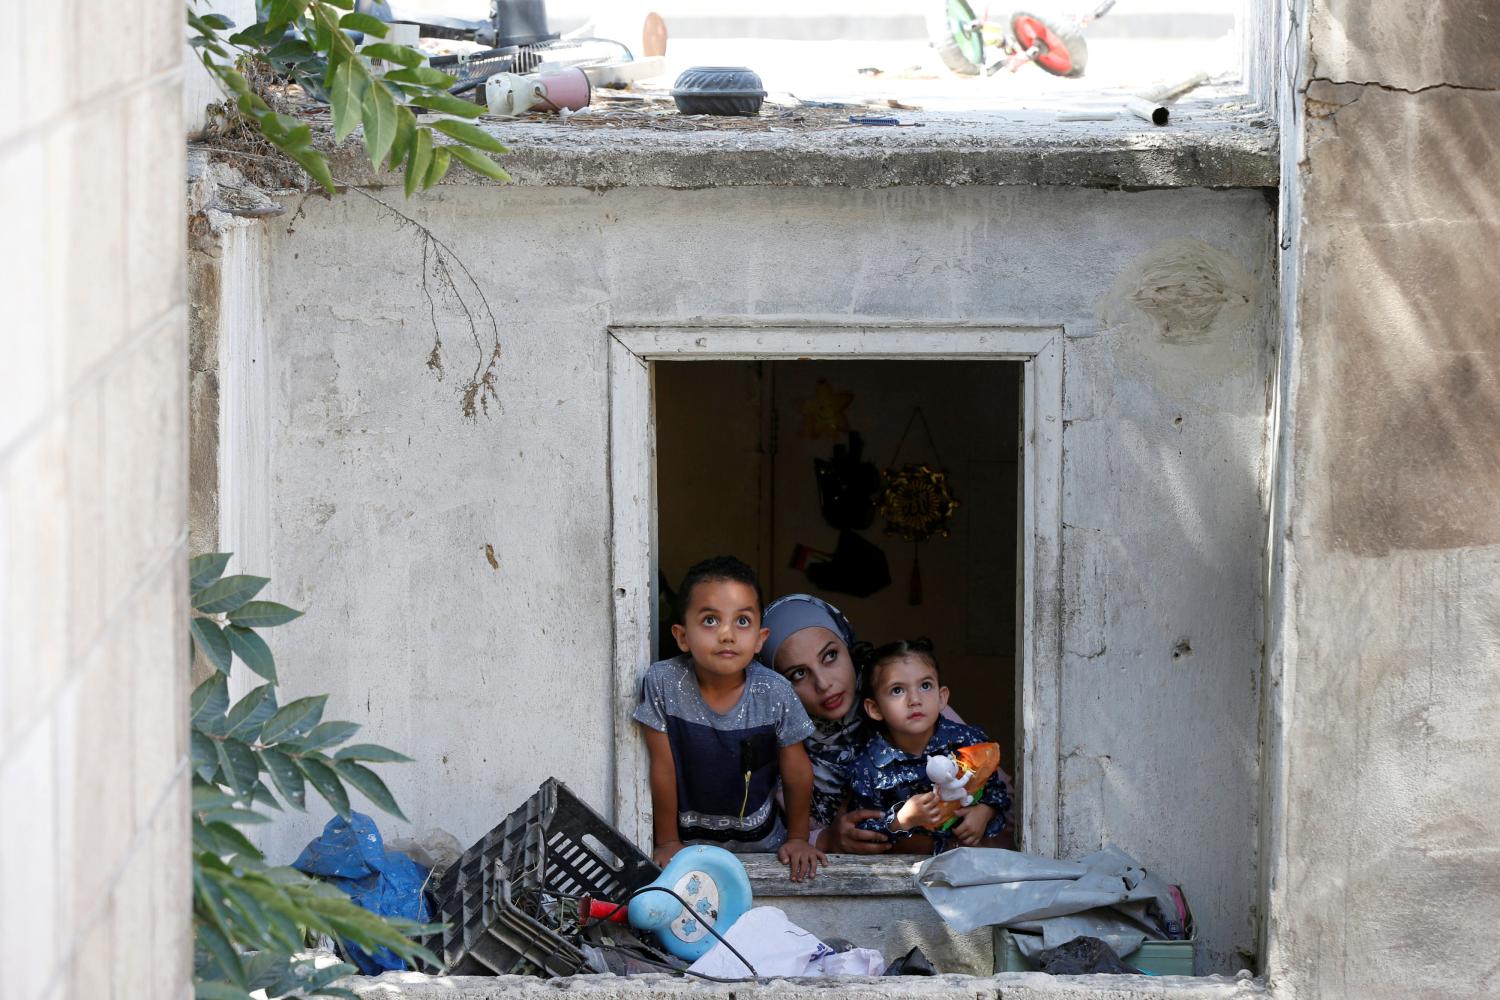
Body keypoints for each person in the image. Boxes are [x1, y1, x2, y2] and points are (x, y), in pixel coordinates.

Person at [634, 557, 826, 880]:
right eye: (710, 621)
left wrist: (798, 838)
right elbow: (662, 767)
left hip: (765, 847)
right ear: (682, 636)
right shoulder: (664, 683)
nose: (727, 634)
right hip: (690, 849)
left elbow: (797, 772)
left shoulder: (774, 691)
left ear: (760, 639)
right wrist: (668, 841)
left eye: (742, 622)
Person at [757, 594, 895, 854]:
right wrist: (825, 840)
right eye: (798, 674)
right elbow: (755, 844)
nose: (823, 684)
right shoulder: (769, 748)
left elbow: (988, 787)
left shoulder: (908, 700)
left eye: (830, 656)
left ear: (849, 647)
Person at [849, 638, 1010, 854]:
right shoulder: (868, 767)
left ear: (942, 697)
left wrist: (985, 811)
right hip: (905, 872)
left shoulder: (968, 741)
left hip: (975, 861)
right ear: (875, 708)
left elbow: (996, 791)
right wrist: (902, 819)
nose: (915, 699)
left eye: (925, 686)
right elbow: (863, 831)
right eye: (897, 690)